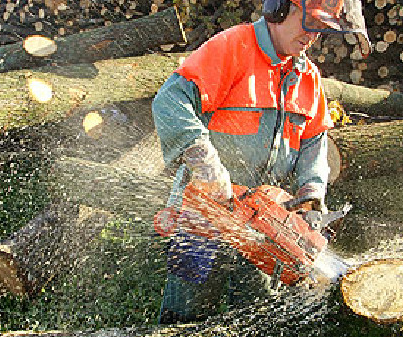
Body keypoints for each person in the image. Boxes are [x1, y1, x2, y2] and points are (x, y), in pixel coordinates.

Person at [151, 0, 370, 324]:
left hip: (267, 222)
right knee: (185, 310)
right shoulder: (233, 47)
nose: (313, 36)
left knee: (258, 314)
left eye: (321, 28)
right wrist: (204, 161)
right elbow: (170, 100)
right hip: (206, 210)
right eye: (310, 23)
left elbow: (314, 140)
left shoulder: (307, 76)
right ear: (281, 8)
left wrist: (311, 191)